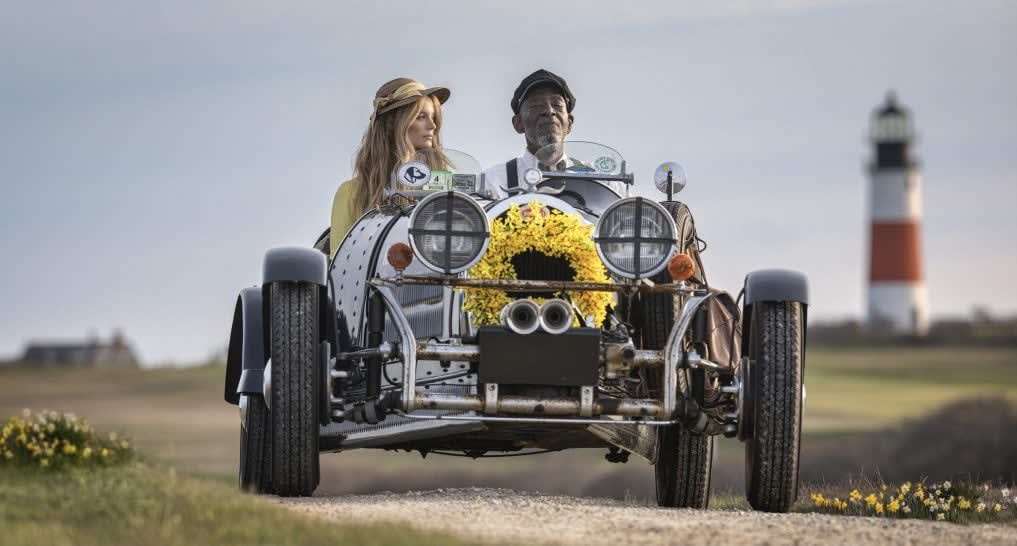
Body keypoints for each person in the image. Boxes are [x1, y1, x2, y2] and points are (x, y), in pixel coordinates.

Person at [330, 78, 450, 258]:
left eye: (433, 117)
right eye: (421, 117)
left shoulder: (447, 187)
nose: (432, 126)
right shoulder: (351, 194)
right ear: (393, 125)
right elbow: (339, 267)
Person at [480, 69, 625, 198]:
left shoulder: (602, 181)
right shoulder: (493, 181)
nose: (549, 111)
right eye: (536, 105)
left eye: (556, 104)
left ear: (569, 122)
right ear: (518, 123)